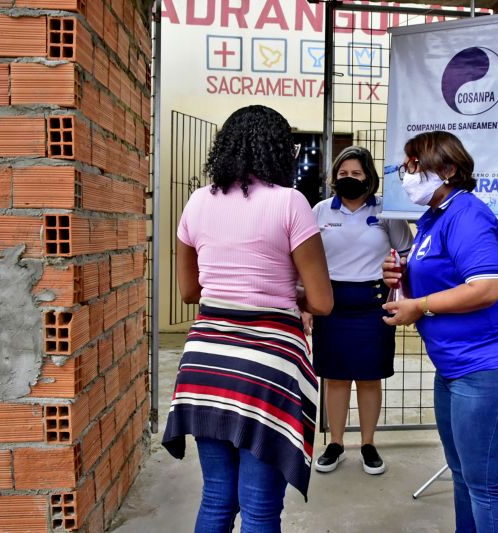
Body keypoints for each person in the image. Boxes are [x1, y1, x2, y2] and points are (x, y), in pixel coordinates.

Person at [162, 105, 333, 533]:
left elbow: (189, 292)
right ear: (278, 151)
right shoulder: (291, 203)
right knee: (258, 509)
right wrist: (285, 291)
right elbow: (323, 302)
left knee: (218, 498)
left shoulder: (197, 201)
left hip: (204, 365)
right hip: (265, 368)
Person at [382, 131, 498, 533]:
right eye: (407, 165)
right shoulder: (434, 217)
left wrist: (418, 305)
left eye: (416, 164)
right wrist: (401, 280)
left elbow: (486, 287)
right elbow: (443, 281)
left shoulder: (467, 213)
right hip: (455, 367)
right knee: (462, 474)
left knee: (487, 486)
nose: (408, 173)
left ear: (449, 169)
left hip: (491, 367)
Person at [304, 146, 413, 476]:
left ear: (369, 177)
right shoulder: (320, 210)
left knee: (369, 378)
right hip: (331, 303)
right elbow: (305, 259)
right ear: (334, 177)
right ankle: (335, 444)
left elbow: (406, 252)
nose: (348, 179)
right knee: (335, 377)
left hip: (373, 303)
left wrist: (395, 274)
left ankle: (368, 444)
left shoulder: (385, 211)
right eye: (342, 174)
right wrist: (306, 304)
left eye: (356, 174)